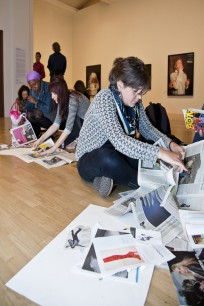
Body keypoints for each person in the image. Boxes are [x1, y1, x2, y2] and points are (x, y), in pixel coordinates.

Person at [76, 56, 187, 197]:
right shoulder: (104, 98)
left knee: (141, 158)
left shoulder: (135, 101)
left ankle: (110, 177)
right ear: (120, 84)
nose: (140, 97)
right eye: (136, 92)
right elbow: (119, 140)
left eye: (141, 93)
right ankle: (149, 185)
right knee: (108, 159)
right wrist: (162, 153)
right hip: (90, 158)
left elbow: (147, 129)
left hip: (116, 150)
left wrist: (170, 144)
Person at [32, 77, 90, 155]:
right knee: (65, 145)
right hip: (77, 123)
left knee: (65, 145)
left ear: (61, 92)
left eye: (54, 93)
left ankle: (80, 138)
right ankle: (77, 138)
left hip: (86, 123)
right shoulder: (62, 98)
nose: (52, 97)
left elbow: (68, 127)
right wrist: (40, 140)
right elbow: (56, 124)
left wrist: (53, 149)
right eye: (51, 93)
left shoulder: (73, 99)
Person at [24, 70, 56, 137]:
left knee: (37, 114)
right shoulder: (32, 91)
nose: (33, 87)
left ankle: (51, 132)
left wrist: (35, 101)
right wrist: (22, 115)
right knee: (29, 114)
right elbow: (28, 107)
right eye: (31, 86)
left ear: (40, 80)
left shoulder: (48, 88)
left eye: (34, 84)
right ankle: (35, 135)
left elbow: (48, 109)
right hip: (41, 116)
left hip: (52, 116)